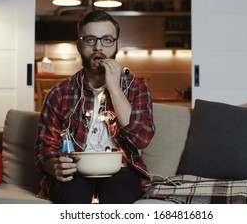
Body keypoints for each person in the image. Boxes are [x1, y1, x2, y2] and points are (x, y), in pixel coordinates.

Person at [34, 10, 156, 204]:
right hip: (75, 172)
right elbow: (44, 150)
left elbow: (141, 139)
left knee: (119, 196)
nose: (98, 47)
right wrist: (53, 166)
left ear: (117, 45)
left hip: (121, 171)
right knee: (71, 195)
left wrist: (114, 88)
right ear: (79, 45)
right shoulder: (59, 93)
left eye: (107, 40)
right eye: (90, 39)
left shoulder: (137, 87)